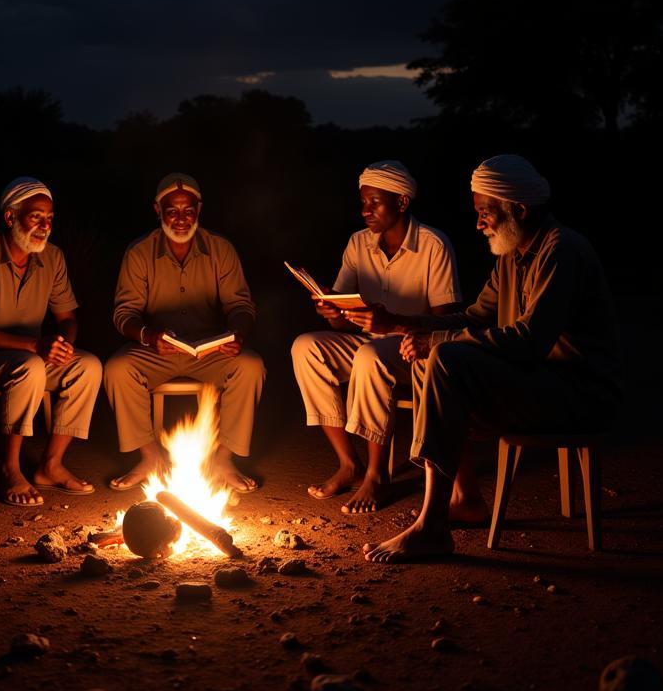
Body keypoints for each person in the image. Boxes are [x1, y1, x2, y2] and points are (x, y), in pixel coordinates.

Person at [364, 155, 623, 563]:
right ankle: (460, 499)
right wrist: (400, 324)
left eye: (486, 213)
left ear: (518, 209)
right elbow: (472, 317)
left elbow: (528, 341)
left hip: (577, 393)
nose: (479, 223)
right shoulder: (512, 257)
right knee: (427, 358)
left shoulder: (562, 252)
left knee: (445, 357)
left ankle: (432, 526)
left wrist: (438, 342)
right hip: (538, 384)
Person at [291, 160, 462, 512]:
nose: (365, 210)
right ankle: (349, 464)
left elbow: (446, 325)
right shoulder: (358, 244)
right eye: (363, 202)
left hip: (413, 348)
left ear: (402, 202)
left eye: (374, 202)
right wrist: (331, 311)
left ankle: (377, 475)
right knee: (306, 346)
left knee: (371, 356)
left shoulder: (433, 245)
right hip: (368, 341)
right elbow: (342, 320)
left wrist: (393, 324)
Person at [103, 172, 265, 492]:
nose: (180, 219)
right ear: (157, 209)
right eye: (171, 210)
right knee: (118, 368)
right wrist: (149, 336)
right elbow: (123, 314)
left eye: (187, 210)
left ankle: (223, 459)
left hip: (210, 350)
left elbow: (242, 306)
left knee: (251, 366)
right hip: (156, 349)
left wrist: (237, 334)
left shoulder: (221, 249)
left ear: (199, 209)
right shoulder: (138, 253)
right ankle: (149, 457)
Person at [0, 177, 101, 506]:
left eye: (49, 218)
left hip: (33, 353)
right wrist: (36, 347)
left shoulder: (53, 257)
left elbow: (68, 318)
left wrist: (62, 344)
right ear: (10, 217)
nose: (44, 225)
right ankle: (9, 469)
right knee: (31, 366)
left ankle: (50, 466)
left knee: (88, 365)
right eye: (36, 216)